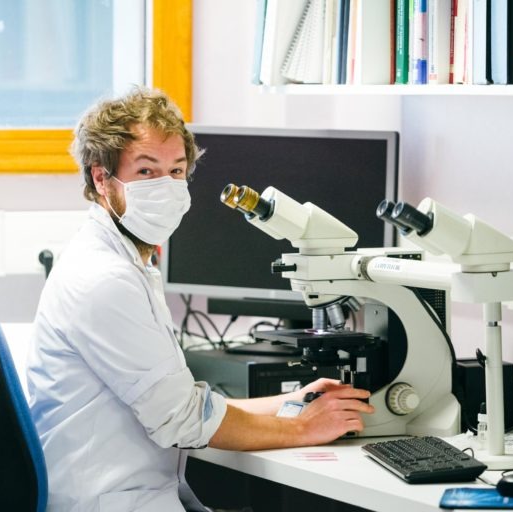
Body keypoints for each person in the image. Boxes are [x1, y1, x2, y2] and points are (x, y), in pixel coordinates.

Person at [26, 86, 374, 512]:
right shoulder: (105, 279)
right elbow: (183, 420)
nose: (168, 187)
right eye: (147, 172)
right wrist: (302, 429)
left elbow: (184, 402)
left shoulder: (125, 260)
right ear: (102, 178)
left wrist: (288, 402)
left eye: (176, 171)